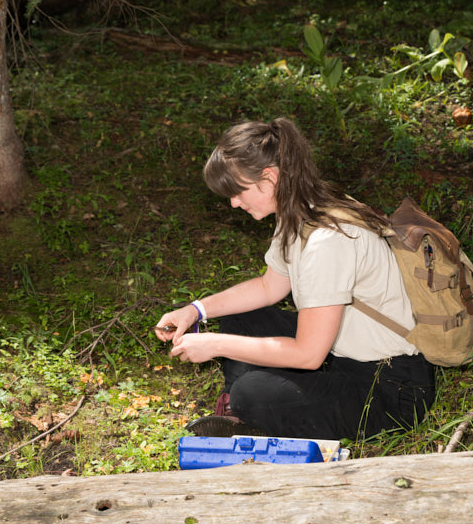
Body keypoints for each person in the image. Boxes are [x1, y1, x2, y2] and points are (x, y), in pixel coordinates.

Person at [154, 117, 436, 440]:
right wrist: (196, 310)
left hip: (390, 390)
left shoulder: (326, 241)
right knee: (238, 316)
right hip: (343, 357)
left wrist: (216, 345)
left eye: (238, 191)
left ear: (269, 178)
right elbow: (267, 287)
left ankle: (249, 410)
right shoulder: (302, 211)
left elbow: (307, 354)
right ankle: (239, 419)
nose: (233, 202)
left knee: (253, 393)